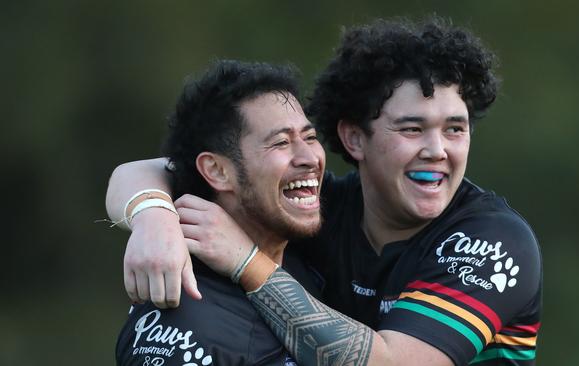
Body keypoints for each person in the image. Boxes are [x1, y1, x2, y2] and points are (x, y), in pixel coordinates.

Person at [107, 17, 542, 365]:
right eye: (412, 129)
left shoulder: (493, 240)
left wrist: (248, 263)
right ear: (354, 139)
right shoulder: (318, 211)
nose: (437, 150)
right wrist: (152, 217)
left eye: (455, 129)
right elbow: (159, 169)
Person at [112, 59, 327, 365]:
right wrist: (151, 213)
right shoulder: (186, 323)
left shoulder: (307, 250)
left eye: (310, 137)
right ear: (217, 171)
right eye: (281, 142)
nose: (310, 157)